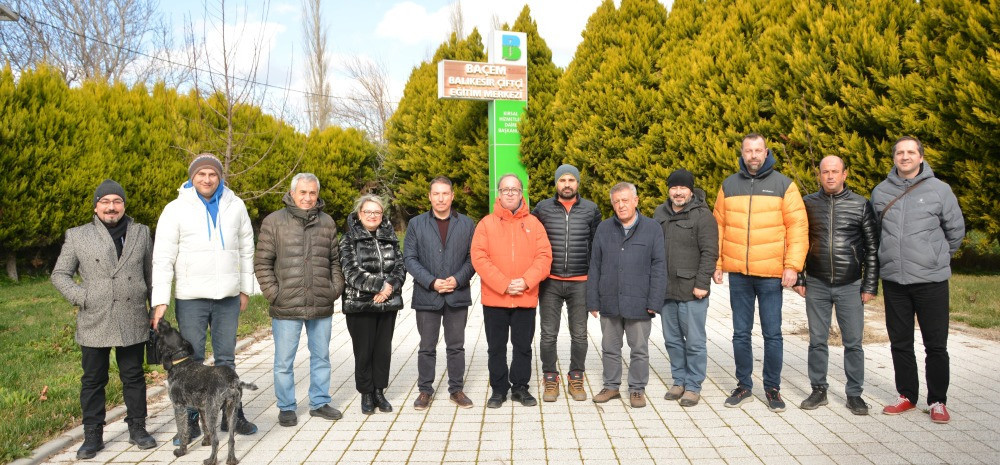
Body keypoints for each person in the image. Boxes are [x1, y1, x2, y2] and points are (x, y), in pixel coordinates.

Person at [150, 153, 258, 442]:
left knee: (226, 359)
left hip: (227, 297)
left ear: (220, 177)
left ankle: (232, 414)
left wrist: (245, 288)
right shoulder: (175, 209)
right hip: (191, 298)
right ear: (192, 177)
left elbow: (246, 248)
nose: (207, 179)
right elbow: (163, 256)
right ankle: (191, 421)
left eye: (212, 174)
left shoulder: (235, 205)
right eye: (201, 174)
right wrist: (160, 299)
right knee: (191, 361)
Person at [52, 180, 156, 459]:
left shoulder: (141, 232)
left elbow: (150, 274)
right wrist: (83, 297)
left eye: (117, 201)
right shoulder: (77, 235)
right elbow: (59, 274)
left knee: (133, 376)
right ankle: (92, 435)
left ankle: (137, 428)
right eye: (105, 202)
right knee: (93, 379)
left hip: (132, 314)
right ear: (96, 206)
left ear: (124, 205)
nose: (112, 207)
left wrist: (154, 309)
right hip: (95, 317)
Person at [713, 134, 808, 413]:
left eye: (758, 150)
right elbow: (718, 227)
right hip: (739, 275)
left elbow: (798, 228)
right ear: (742, 153)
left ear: (766, 152)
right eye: (748, 151)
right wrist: (717, 264)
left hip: (770, 274)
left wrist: (792, 266)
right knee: (740, 333)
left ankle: (772, 388)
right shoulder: (729, 185)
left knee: (772, 334)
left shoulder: (784, 185)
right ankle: (744, 385)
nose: (753, 155)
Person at [872, 136, 964, 424]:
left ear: (921, 157)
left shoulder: (940, 190)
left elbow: (955, 230)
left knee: (935, 344)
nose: (905, 157)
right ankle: (907, 395)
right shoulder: (881, 192)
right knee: (900, 342)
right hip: (894, 280)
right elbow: (875, 233)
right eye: (900, 152)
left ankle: (937, 400)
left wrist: (936, 257)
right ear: (894, 158)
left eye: (911, 152)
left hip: (931, 280)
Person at [254, 173, 345, 426]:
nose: (307, 197)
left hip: (321, 301)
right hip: (286, 303)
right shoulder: (274, 222)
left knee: (321, 357)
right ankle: (286, 407)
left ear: (317, 194)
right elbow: (262, 263)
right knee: (284, 361)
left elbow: (335, 261)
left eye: (312, 193)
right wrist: (274, 293)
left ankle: (320, 402)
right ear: (292, 193)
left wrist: (334, 288)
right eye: (302, 192)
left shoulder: (327, 222)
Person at [792, 156, 879, 415]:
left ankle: (854, 394)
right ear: (819, 174)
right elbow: (797, 242)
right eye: (825, 172)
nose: (830, 176)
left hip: (850, 284)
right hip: (816, 283)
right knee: (817, 341)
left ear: (844, 174)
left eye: (835, 171)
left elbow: (872, 248)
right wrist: (799, 277)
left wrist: (870, 285)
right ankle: (818, 390)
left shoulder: (860, 204)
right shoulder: (807, 204)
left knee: (853, 342)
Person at [471, 174, 552, 409]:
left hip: (525, 297)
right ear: (498, 193)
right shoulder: (486, 224)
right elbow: (479, 257)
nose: (509, 193)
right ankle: (498, 389)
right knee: (496, 348)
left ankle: (520, 387)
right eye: (505, 189)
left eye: (514, 189)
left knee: (523, 347)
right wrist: (504, 283)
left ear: (521, 193)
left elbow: (544, 256)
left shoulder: (534, 224)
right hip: (495, 298)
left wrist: (526, 281)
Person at [588, 182, 666, 409]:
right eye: (616, 202)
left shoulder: (652, 228)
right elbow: (595, 265)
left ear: (635, 201)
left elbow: (659, 266)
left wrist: (654, 301)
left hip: (639, 301)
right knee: (609, 348)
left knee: (639, 349)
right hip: (609, 299)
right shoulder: (603, 228)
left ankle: (637, 389)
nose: (621, 205)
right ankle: (611, 386)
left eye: (625, 200)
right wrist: (592, 300)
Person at [404, 176, 476, 410]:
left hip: (457, 293)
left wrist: (458, 279)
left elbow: (473, 258)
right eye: (436, 193)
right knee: (427, 346)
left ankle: (456, 390)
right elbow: (410, 258)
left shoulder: (467, 224)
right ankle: (425, 390)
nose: (441, 198)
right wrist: (431, 282)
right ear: (429, 196)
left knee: (456, 346)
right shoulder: (416, 224)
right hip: (427, 295)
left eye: (445, 193)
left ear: (452, 196)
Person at [531, 164, 602, 402]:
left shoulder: (591, 209)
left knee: (579, 334)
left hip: (580, 281)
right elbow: (532, 241)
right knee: (548, 334)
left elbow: (596, 247)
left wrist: (596, 282)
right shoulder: (542, 208)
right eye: (563, 180)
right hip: (550, 281)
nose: (567, 184)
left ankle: (576, 376)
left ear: (578, 183)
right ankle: (550, 377)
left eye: (571, 180)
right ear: (556, 183)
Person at [653, 169, 718, 407]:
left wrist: (702, 283)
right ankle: (678, 380)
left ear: (691, 191)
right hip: (666, 289)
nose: (678, 192)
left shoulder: (703, 216)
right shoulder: (659, 213)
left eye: (683, 188)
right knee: (672, 340)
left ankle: (693, 385)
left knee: (694, 341)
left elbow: (710, 252)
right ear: (668, 190)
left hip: (692, 291)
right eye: (674, 187)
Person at [340, 193, 406, 415]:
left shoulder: (390, 237)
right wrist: (379, 286)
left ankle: (379, 391)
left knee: (382, 350)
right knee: (364, 351)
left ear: (382, 214)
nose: (372, 215)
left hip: (387, 303)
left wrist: (389, 288)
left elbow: (400, 266)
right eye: (367, 211)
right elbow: (350, 271)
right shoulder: (348, 239)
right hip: (360, 304)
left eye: (376, 212)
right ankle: (366, 393)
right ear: (359, 214)